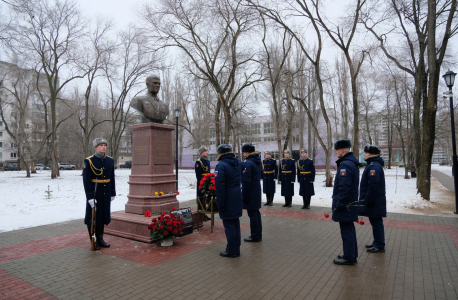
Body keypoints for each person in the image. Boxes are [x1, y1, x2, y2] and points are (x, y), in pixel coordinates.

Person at [83, 138, 116, 250]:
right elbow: (86, 181)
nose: (103, 147)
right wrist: (90, 197)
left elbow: (112, 178)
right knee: (92, 217)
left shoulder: (110, 161)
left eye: (105, 145)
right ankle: (94, 239)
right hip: (95, 193)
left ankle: (100, 238)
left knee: (102, 216)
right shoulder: (89, 161)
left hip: (105, 193)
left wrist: (112, 192)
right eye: (101, 145)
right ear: (96, 147)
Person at [332, 139, 360, 265]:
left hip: (345, 204)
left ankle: (349, 257)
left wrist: (339, 203)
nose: (336, 152)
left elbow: (344, 187)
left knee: (346, 231)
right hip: (349, 203)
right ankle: (351, 254)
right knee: (349, 229)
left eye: (337, 150)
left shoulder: (345, 165)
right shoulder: (350, 163)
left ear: (342, 150)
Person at [215, 144, 243, 258]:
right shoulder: (238, 163)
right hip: (237, 196)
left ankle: (232, 250)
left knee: (229, 225)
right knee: (235, 223)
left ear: (221, 153)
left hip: (227, 198)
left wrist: (220, 203)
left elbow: (220, 187)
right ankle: (236, 248)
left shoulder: (221, 166)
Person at [359, 145, 386, 253]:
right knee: (374, 222)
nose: (364, 154)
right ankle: (377, 242)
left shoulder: (374, 166)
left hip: (374, 200)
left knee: (376, 222)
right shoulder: (372, 165)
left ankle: (379, 245)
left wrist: (368, 199)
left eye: (365, 153)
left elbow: (373, 185)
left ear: (370, 154)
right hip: (374, 200)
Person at [241, 144, 262, 242]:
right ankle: (258, 234)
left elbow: (246, 180)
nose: (243, 153)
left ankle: (255, 235)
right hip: (256, 190)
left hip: (250, 191)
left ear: (247, 152)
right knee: (256, 213)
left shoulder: (249, 163)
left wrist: (244, 195)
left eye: (244, 151)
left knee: (252, 214)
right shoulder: (256, 161)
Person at [195, 146, 211, 221]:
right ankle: (201, 215)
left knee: (206, 198)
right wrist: (203, 183)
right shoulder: (198, 162)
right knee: (201, 198)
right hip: (201, 183)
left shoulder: (207, 161)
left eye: (206, 151)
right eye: (205, 151)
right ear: (201, 153)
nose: (206, 152)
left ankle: (205, 214)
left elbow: (208, 172)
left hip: (207, 181)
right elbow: (198, 175)